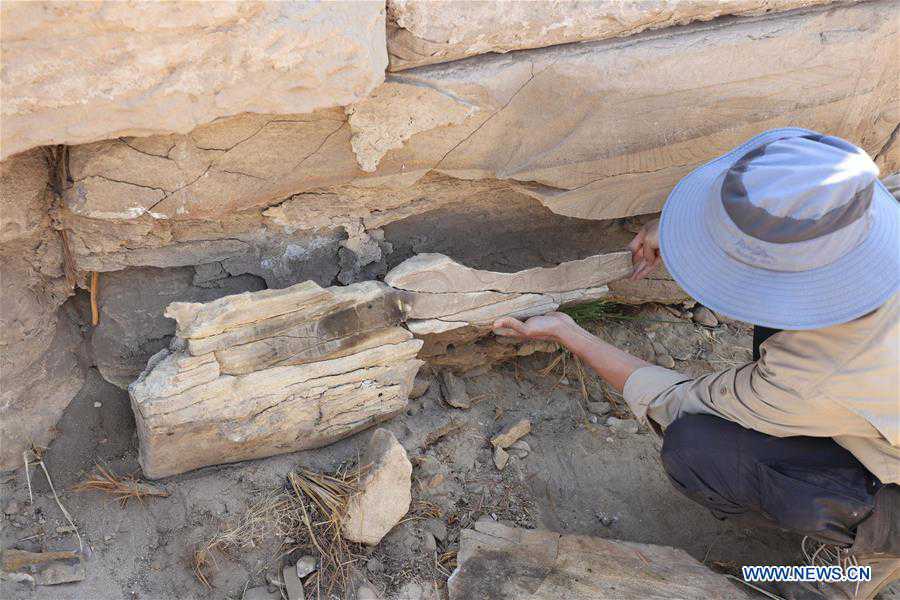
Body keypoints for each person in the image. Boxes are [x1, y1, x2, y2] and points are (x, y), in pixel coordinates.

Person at [493, 128, 899, 599]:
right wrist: (685, 233)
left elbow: (676, 403)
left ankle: (869, 557)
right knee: (778, 337)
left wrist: (570, 333)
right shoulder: (864, 198)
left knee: (699, 449)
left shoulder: (811, 373)